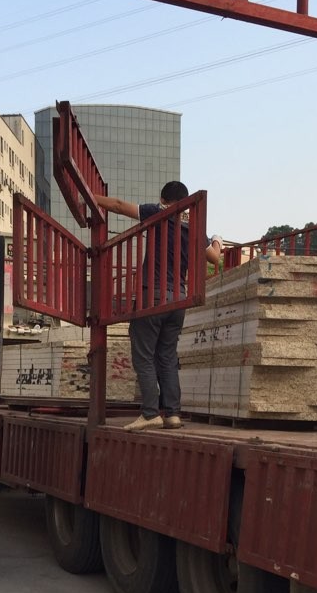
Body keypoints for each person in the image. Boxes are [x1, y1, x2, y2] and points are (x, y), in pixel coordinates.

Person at [94, 181, 223, 431]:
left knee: (144, 355)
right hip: (179, 300)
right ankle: (173, 414)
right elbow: (214, 257)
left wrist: (90, 197)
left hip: (153, 295)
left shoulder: (158, 212)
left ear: (163, 199)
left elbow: (118, 205)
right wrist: (217, 239)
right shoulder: (194, 225)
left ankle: (151, 413)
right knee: (167, 357)